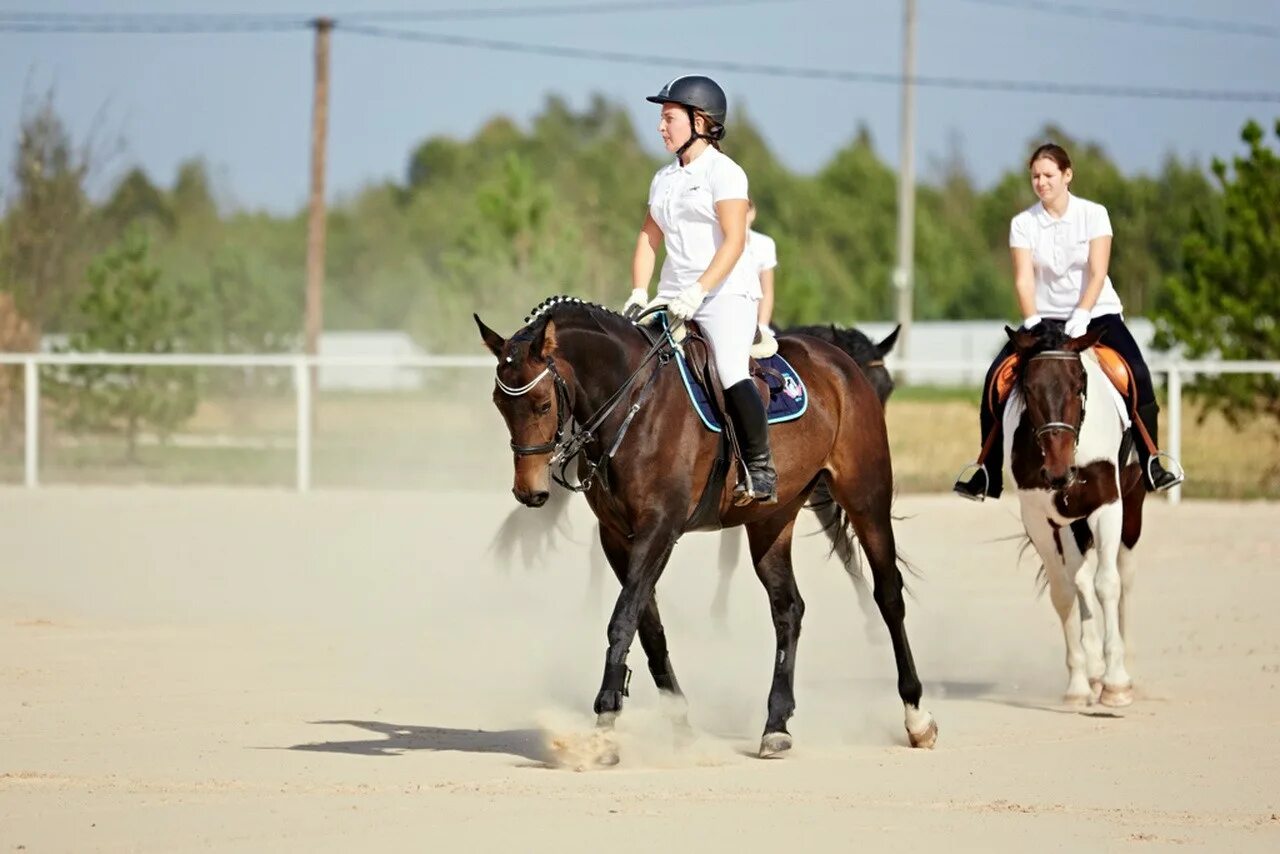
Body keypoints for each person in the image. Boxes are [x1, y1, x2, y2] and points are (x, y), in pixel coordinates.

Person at [953, 142, 1184, 501]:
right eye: (1035, 176)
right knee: (994, 381)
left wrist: (1081, 314)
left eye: (1048, 175)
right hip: (1044, 319)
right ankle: (987, 471)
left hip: (1096, 311)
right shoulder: (1023, 223)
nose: (1041, 182)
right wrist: (1031, 320)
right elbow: (1023, 280)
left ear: (1067, 175)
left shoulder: (1094, 215)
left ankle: (1152, 459)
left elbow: (1097, 271)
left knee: (1137, 373)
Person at [621, 75, 776, 504]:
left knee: (729, 369)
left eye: (669, 117)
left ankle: (760, 467)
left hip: (725, 296)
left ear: (700, 121)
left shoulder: (725, 173)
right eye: (661, 118)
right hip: (671, 295)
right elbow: (647, 239)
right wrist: (639, 291)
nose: (660, 127)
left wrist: (700, 290)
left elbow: (735, 240)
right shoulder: (663, 178)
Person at [745, 200, 778, 337]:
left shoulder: (765, 244)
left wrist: (762, 325)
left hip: (754, 314)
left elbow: (767, 290)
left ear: (752, 213)